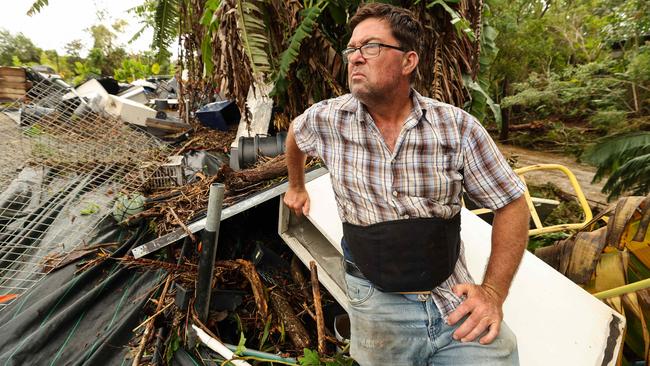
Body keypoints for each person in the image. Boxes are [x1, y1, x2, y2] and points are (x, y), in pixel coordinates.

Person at [284, 3, 530, 365]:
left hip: (452, 297)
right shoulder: (327, 120)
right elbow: (295, 135)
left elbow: (512, 203)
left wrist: (492, 292)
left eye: (370, 47)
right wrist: (297, 186)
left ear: (408, 61)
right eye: (351, 49)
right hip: (376, 307)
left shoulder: (456, 128)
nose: (355, 58)